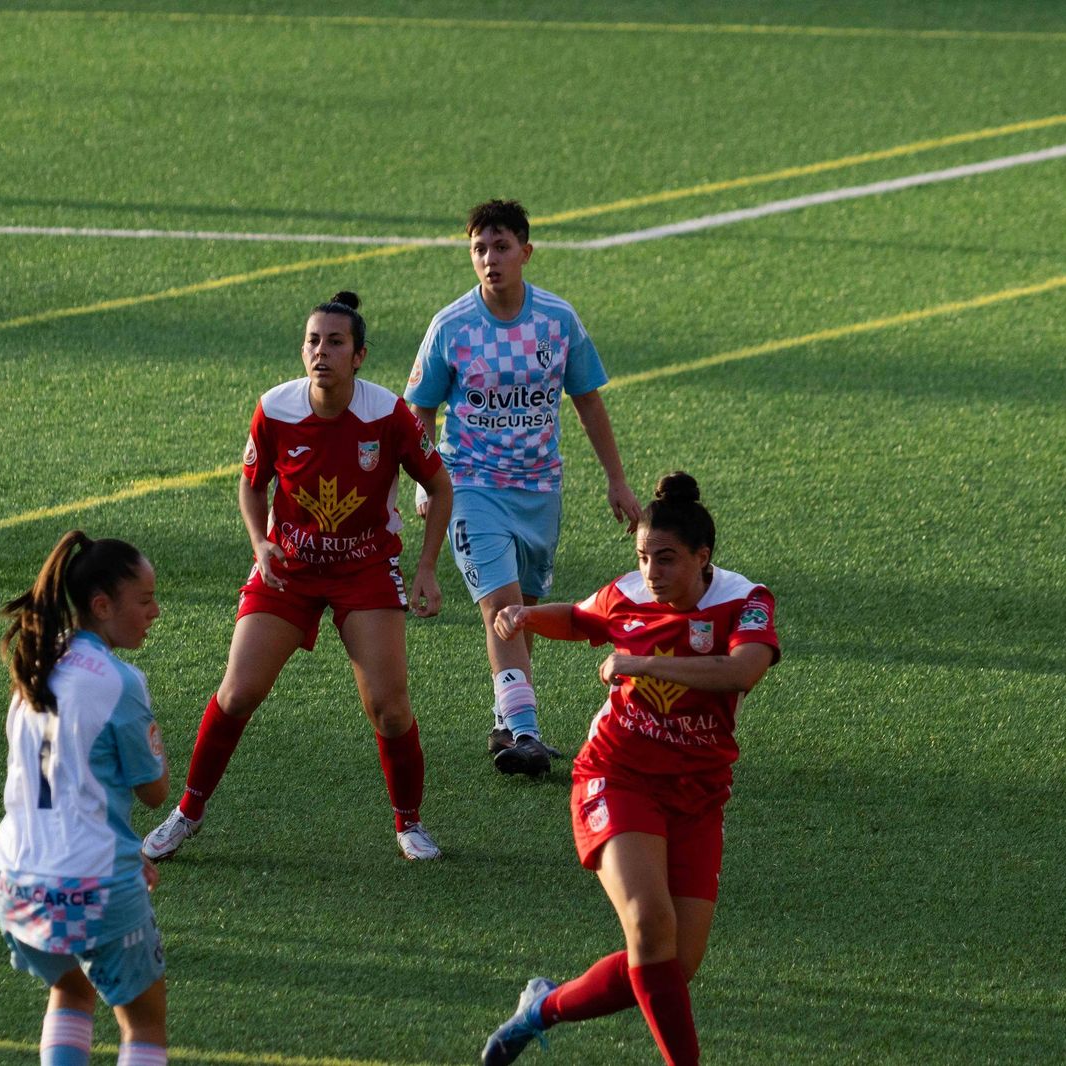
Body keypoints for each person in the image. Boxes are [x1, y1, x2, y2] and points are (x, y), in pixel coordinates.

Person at [479, 473, 780, 1066]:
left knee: (673, 964)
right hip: (616, 776)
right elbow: (583, 619)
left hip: (698, 792)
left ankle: (541, 1009)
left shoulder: (746, 602)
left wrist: (643, 662)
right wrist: (524, 616)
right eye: (643, 558)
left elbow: (742, 671)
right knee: (648, 924)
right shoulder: (627, 595)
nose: (652, 573)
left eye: (666, 560)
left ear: (703, 557)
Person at [143, 291, 454, 862]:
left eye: (335, 343)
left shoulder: (390, 415)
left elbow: (439, 486)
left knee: (389, 706)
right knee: (238, 692)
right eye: (313, 341)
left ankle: (408, 824)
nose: (321, 352)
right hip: (288, 568)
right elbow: (251, 482)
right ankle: (188, 812)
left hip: (364, 567)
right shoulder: (275, 409)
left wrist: (428, 568)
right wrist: (261, 542)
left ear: (359, 356)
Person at [405, 198, 642, 777]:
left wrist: (616, 479)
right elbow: (419, 407)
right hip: (471, 486)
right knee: (504, 608)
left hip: (540, 490)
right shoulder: (452, 326)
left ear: (526, 252)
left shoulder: (558, 321)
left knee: (524, 613)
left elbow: (587, 398)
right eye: (479, 249)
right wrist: (427, 480)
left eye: (502, 246)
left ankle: (505, 721)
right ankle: (528, 734)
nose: (490, 258)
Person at [0, 531, 171, 1066]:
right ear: (101, 605)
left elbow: (60, 785)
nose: (155, 611)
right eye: (144, 600)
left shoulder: (35, 665)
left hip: (16, 881)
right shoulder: (119, 681)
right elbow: (155, 791)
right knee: (144, 1025)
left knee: (71, 988)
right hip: (93, 883)